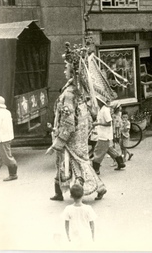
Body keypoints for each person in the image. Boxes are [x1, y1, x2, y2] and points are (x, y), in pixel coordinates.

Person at [46, 46, 107, 201]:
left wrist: (58, 142)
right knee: (77, 162)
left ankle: (87, 188)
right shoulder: (78, 91)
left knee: (75, 163)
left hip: (70, 135)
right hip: (79, 134)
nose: (64, 71)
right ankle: (96, 188)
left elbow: (68, 121)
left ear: (73, 72)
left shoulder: (69, 94)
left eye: (66, 68)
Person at [91, 98, 126, 172]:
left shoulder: (105, 110)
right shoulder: (102, 109)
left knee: (98, 151)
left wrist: (97, 123)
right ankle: (120, 162)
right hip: (104, 134)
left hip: (104, 135)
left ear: (101, 101)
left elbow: (109, 123)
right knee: (109, 149)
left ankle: (96, 169)